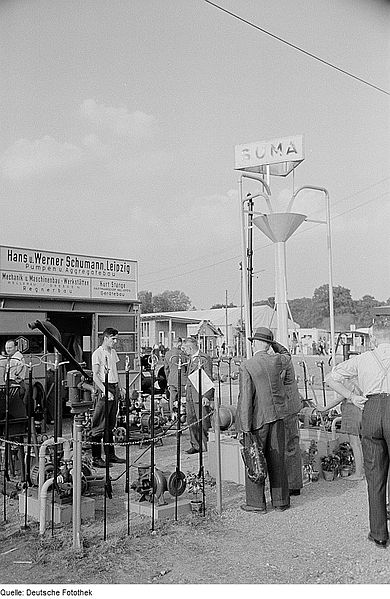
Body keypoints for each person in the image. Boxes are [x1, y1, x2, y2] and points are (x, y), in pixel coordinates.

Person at [325, 316, 390, 548]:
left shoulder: (363, 359)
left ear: (373, 337)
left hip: (370, 409)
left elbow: (331, 378)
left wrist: (352, 396)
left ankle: (379, 533)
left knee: (374, 475)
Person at [236, 327, 293, 513]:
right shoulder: (276, 360)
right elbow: (286, 353)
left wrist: (244, 427)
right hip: (277, 417)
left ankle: (256, 503)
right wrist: (273, 344)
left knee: (255, 458)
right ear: (268, 344)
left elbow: (245, 399)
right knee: (277, 458)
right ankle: (281, 501)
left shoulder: (247, 365)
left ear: (255, 343)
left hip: (258, 420)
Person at [90, 327, 126, 468]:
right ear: (106, 338)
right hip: (104, 388)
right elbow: (95, 375)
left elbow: (116, 371)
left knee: (110, 424)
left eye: (116, 339)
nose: (115, 342)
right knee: (99, 424)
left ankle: (110, 455)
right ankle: (96, 457)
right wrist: (105, 390)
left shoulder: (113, 352)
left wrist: (121, 387)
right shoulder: (97, 354)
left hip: (114, 387)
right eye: (113, 339)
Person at [317, 378, 364, 481]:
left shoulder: (350, 381)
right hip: (357, 410)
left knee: (354, 443)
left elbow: (340, 398)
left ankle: (358, 473)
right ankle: (360, 470)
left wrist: (324, 408)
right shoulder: (359, 379)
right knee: (357, 443)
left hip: (351, 410)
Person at [182, 337, 214, 454]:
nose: (184, 351)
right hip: (190, 395)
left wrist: (207, 396)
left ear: (190, 348)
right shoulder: (190, 359)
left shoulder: (204, 358)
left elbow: (209, 378)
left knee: (203, 421)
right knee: (191, 420)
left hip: (200, 395)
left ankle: (207, 445)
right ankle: (195, 445)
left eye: (185, 349)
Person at [282, 358, 304, 496]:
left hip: (287, 406)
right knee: (292, 444)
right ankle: (293, 483)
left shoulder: (282, 360)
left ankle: (292, 484)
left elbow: (277, 380)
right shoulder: (285, 358)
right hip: (291, 405)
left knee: (289, 445)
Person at [164, 337, 187, 415]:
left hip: (171, 379)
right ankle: (182, 416)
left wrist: (168, 379)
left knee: (172, 398)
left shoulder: (167, 353)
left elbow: (166, 369)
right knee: (183, 398)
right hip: (182, 379)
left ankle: (173, 415)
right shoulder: (182, 353)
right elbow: (187, 366)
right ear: (179, 343)